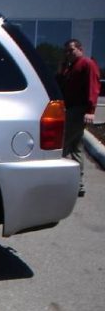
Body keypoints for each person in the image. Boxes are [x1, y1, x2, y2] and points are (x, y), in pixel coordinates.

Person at [56, 39, 101, 197]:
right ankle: (78, 184)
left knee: (61, 146)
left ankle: (57, 182)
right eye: (66, 51)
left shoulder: (87, 64)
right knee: (76, 148)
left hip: (78, 110)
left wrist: (90, 110)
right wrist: (62, 68)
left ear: (80, 49)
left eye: (71, 50)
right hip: (69, 109)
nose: (68, 53)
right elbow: (60, 83)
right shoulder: (70, 67)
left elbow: (93, 87)